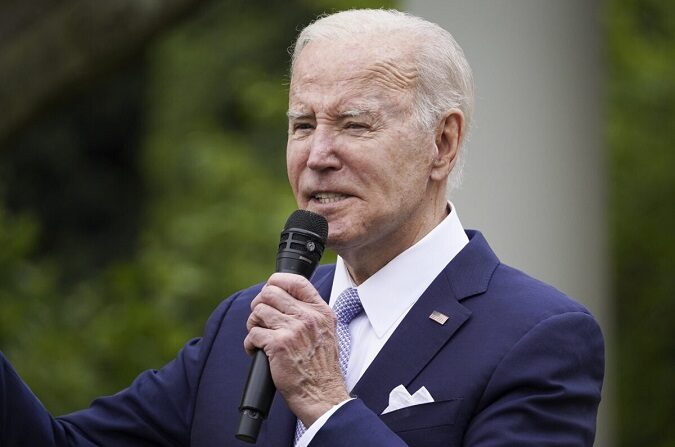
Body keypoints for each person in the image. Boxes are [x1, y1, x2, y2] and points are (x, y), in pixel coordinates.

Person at [0, 8, 604, 447]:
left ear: (441, 144)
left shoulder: (540, 337)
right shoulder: (244, 323)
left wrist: (327, 405)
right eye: (301, 124)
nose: (316, 155)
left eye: (354, 124)